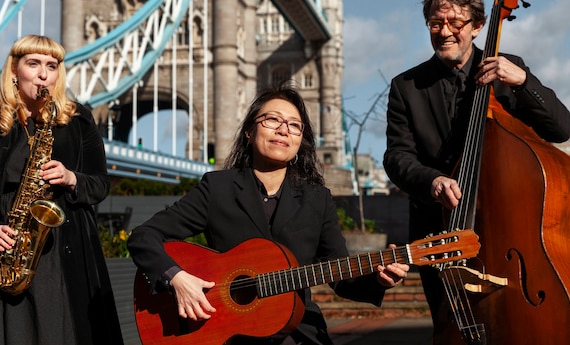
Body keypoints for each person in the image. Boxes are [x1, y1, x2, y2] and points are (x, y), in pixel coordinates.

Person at [127, 84, 410, 344]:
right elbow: (144, 236)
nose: (283, 129)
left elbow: (340, 276)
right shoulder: (218, 188)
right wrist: (176, 278)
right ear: (250, 132)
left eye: (295, 125)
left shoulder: (317, 199)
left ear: (301, 141)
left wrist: (377, 279)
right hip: (224, 334)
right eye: (272, 120)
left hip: (297, 331)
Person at [383, 0, 570, 331]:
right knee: (452, 329)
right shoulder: (405, 86)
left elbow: (562, 130)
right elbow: (397, 157)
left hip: (510, 231)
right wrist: (432, 180)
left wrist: (523, 81)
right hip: (442, 229)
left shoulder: (507, 71)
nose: (445, 32)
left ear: (479, 26)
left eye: (456, 23)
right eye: (436, 23)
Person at [0, 35, 124, 345]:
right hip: (4, 250)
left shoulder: (79, 120)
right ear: (14, 71)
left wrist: (72, 178)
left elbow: (100, 184)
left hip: (62, 252)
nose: (44, 74)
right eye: (34, 64)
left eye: (51, 66)